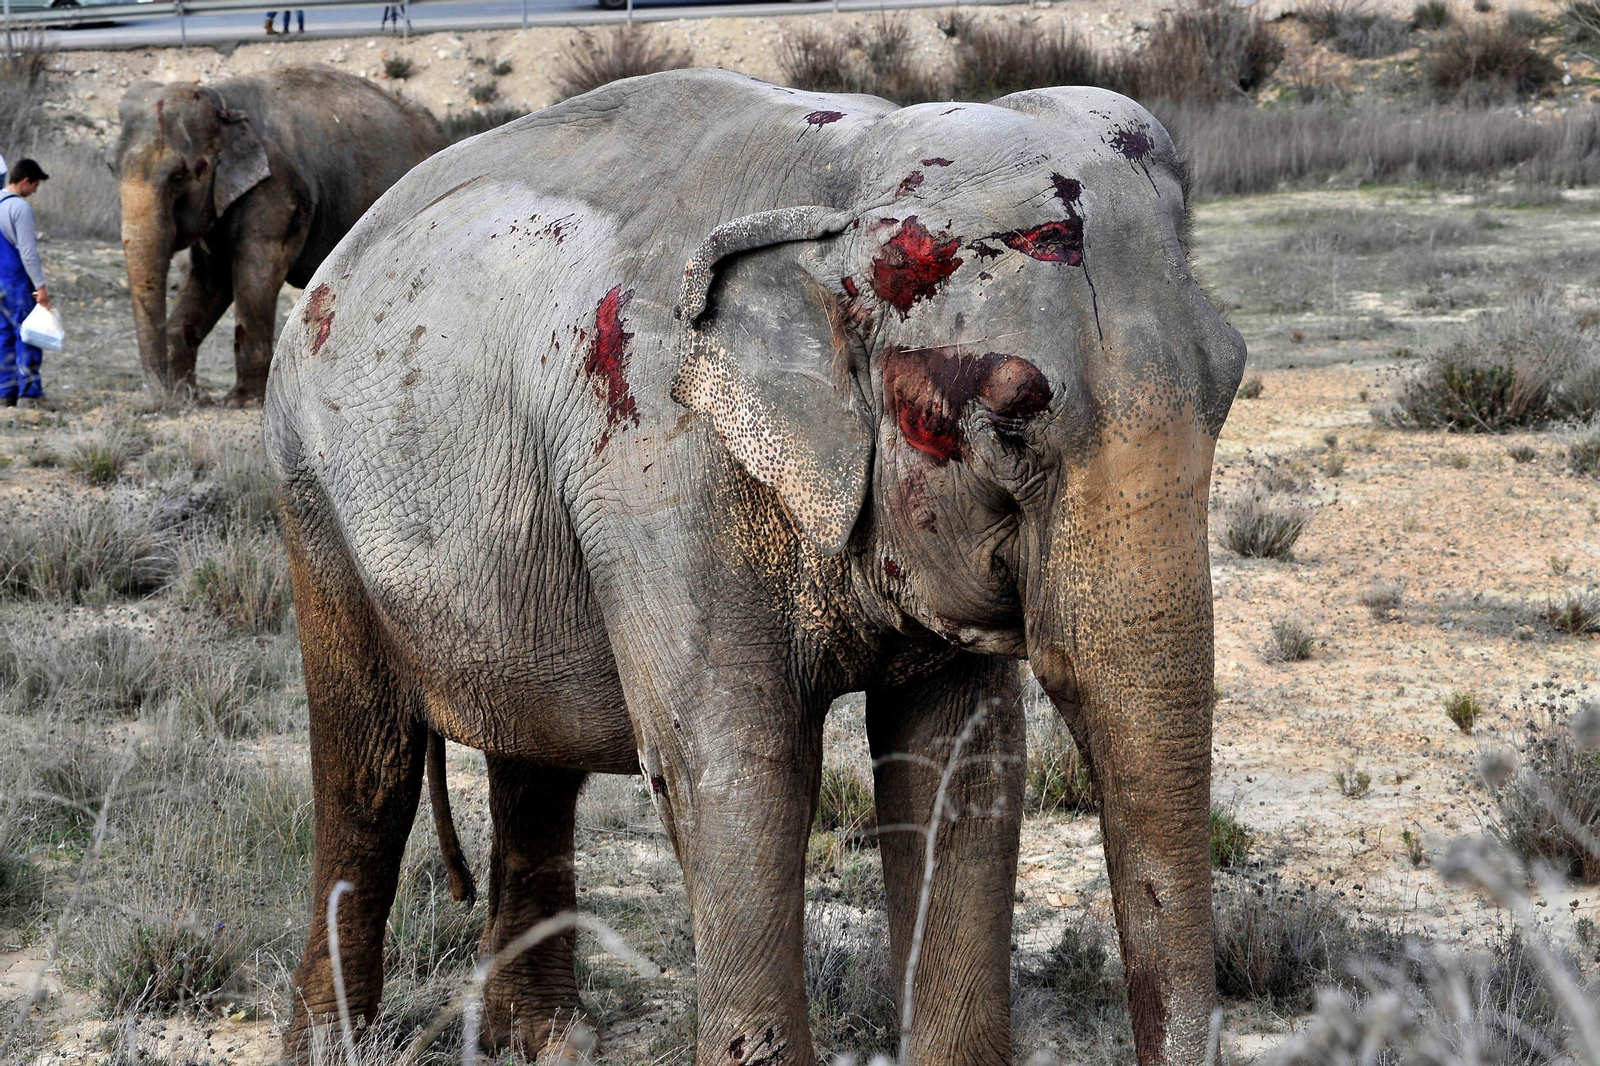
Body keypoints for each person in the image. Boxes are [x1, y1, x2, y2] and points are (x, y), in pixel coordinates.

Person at [0, 158, 48, 408]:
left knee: (3, 336)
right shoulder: (20, 208)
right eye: (36, 185)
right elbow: (28, 253)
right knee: (29, 334)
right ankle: (29, 395)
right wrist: (40, 288)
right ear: (26, 181)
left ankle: (4, 393)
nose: (35, 191)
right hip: (15, 281)